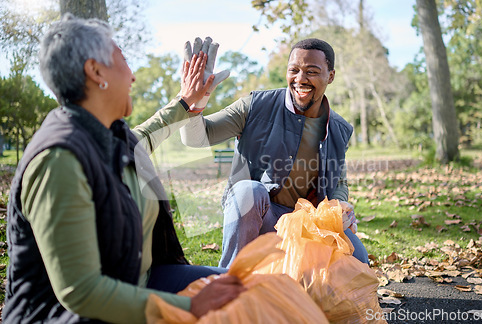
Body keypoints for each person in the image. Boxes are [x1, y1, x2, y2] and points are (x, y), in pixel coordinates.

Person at [3, 14, 245, 323]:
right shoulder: (58, 161)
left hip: (140, 283)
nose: (132, 77)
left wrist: (188, 100)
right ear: (95, 71)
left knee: (251, 291)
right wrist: (190, 309)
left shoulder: (112, 136)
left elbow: (146, 134)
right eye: (123, 61)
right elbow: (81, 292)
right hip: (70, 315)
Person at [180, 38, 369, 268]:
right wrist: (193, 103)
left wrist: (340, 205)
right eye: (294, 70)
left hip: (307, 225)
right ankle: (229, 278)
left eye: (312, 71)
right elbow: (194, 138)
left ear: (330, 76)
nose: (300, 79)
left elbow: (338, 180)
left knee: (359, 260)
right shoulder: (254, 106)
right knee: (249, 191)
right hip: (261, 218)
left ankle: (292, 282)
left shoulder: (338, 128)